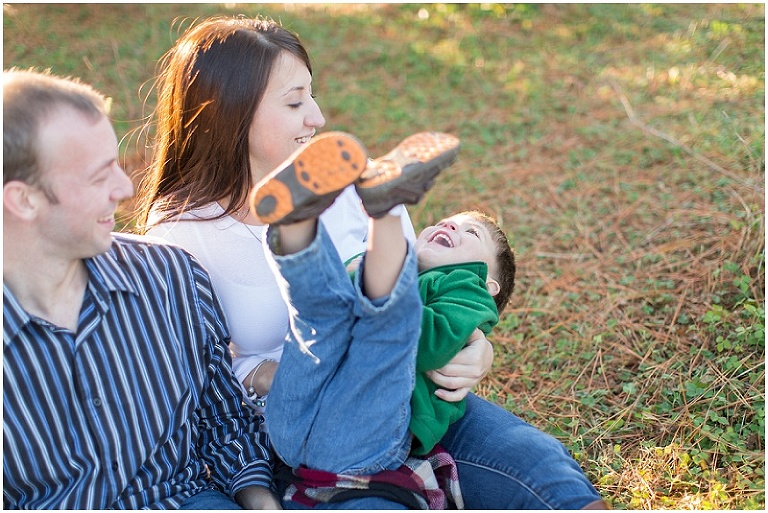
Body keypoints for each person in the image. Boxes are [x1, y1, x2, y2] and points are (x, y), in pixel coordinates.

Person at [136, 15, 609, 509]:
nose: (317, 117)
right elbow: (190, 381)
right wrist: (296, 374)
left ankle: (305, 234)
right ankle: (299, 236)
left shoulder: (350, 179)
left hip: (404, 404)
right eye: (295, 102)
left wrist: (473, 345)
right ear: (230, 113)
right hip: (291, 432)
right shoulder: (178, 239)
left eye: (313, 95)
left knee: (537, 465)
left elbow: (415, 293)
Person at [2, 69, 280, 509]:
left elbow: (225, 423)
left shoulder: (171, 277)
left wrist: (264, 505)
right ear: (23, 199)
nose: (125, 188)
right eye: (98, 177)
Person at [249, 129, 515, 507]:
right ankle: (296, 225)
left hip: (361, 434)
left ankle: (375, 211)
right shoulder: (389, 266)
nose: (451, 225)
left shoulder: (466, 291)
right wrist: (362, 277)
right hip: (291, 429)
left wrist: (381, 288)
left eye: (471, 232)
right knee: (318, 313)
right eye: (447, 220)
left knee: (375, 326)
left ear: (489, 284)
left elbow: (430, 345)